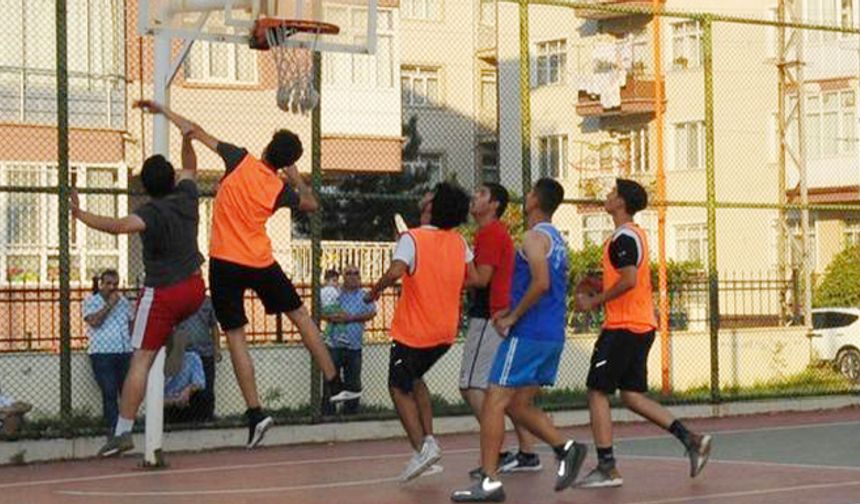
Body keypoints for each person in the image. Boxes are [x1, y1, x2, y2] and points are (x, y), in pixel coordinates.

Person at [142, 100, 357, 449]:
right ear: (285, 161)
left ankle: (256, 412)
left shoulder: (238, 158)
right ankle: (334, 383)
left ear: (265, 147)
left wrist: (164, 112)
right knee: (301, 316)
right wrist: (295, 175)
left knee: (237, 338)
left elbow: (194, 130)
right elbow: (312, 203)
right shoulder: (279, 189)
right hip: (259, 262)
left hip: (225, 262)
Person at [72, 102, 206, 457]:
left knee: (141, 361)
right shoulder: (188, 197)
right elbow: (191, 164)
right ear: (174, 179)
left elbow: (116, 226)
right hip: (195, 289)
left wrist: (79, 213)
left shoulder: (149, 212)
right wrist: (184, 135)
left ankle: (123, 431)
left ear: (145, 187)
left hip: (163, 293)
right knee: (156, 343)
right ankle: (166, 336)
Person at [451, 178, 587, 503]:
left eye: (528, 194)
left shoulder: (532, 237)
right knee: (516, 404)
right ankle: (566, 448)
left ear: (535, 201)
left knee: (495, 401)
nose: (524, 198)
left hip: (529, 334)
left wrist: (512, 317)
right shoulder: (557, 240)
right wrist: (510, 309)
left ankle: (489, 481)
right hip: (551, 334)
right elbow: (546, 285)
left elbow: (539, 283)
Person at [574, 178, 712, 488]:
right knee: (632, 396)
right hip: (640, 325)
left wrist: (594, 301)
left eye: (611, 193)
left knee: (597, 392)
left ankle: (607, 468)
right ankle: (691, 440)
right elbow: (624, 282)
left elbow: (629, 280)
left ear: (620, 202)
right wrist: (596, 285)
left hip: (623, 328)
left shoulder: (624, 238)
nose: (607, 197)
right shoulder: (632, 236)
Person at [366, 182, 472, 482]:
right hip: (445, 333)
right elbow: (474, 277)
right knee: (415, 379)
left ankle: (422, 449)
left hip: (414, 331)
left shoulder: (412, 239)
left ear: (432, 208)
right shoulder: (459, 243)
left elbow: (396, 271)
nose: (426, 197)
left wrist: (374, 291)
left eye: (431, 197)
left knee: (398, 389)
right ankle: (429, 441)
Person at [459, 183, 539, 478]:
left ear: (493, 205)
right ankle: (528, 452)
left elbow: (481, 278)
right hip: (500, 315)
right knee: (503, 391)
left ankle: (498, 451)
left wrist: (452, 273)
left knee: (471, 386)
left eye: (480, 194)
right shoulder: (493, 233)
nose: (473, 197)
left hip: (490, 316)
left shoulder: (491, 232)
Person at [321, 265, 377, 415]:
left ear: (360, 277)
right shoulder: (335, 293)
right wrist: (332, 317)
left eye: (356, 273)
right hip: (334, 346)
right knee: (330, 380)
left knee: (353, 383)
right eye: (349, 273)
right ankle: (328, 415)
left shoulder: (364, 296)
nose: (353, 276)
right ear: (343, 277)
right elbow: (322, 310)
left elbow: (372, 313)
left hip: (355, 347)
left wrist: (351, 318)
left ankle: (350, 414)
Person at [83, 269, 134, 431]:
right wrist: (110, 305)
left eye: (115, 284)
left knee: (126, 391)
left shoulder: (124, 302)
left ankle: (126, 426)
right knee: (109, 390)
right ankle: (113, 426)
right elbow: (94, 322)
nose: (112, 287)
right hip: (102, 354)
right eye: (109, 284)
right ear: (101, 284)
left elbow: (131, 323)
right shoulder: (91, 301)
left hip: (124, 352)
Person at [171, 296, 219, 421]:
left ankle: (208, 416)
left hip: (205, 352)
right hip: (185, 353)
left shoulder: (208, 302)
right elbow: (173, 326)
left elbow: (214, 326)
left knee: (207, 387)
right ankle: (189, 418)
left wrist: (217, 348)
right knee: (186, 386)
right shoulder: (178, 301)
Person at [163, 351, 207, 422]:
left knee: (201, 395)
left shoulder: (192, 358)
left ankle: (199, 423)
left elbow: (200, 384)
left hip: (186, 400)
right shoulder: (157, 364)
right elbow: (156, 399)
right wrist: (174, 401)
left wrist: (187, 391)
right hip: (168, 404)